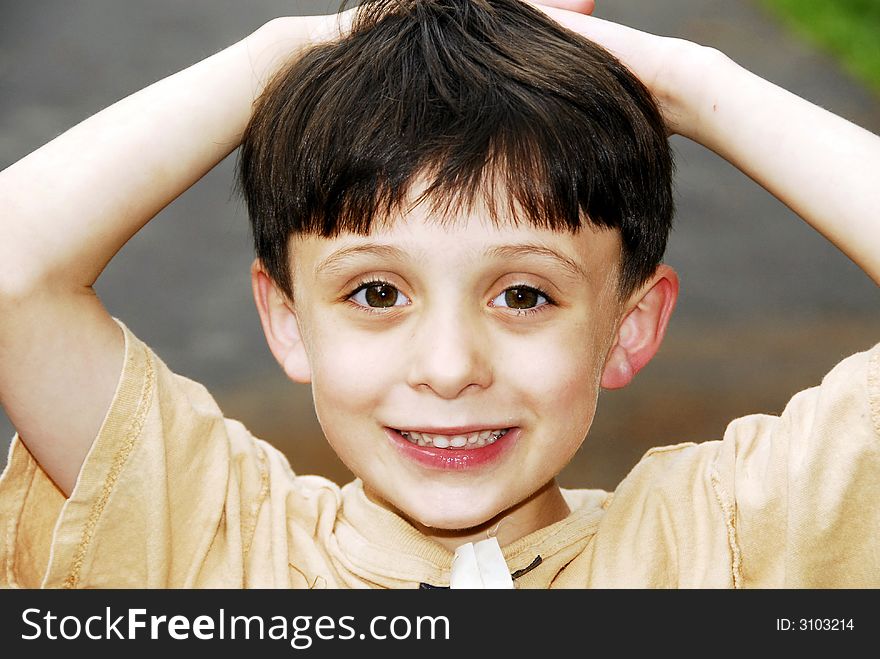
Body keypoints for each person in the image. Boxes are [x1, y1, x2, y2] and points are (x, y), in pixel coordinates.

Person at [0, 0, 877, 588]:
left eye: (525, 295)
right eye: (377, 291)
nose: (450, 367)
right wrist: (297, 48)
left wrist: (685, 81)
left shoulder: (730, 544)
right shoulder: (208, 542)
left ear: (628, 325)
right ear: (286, 318)